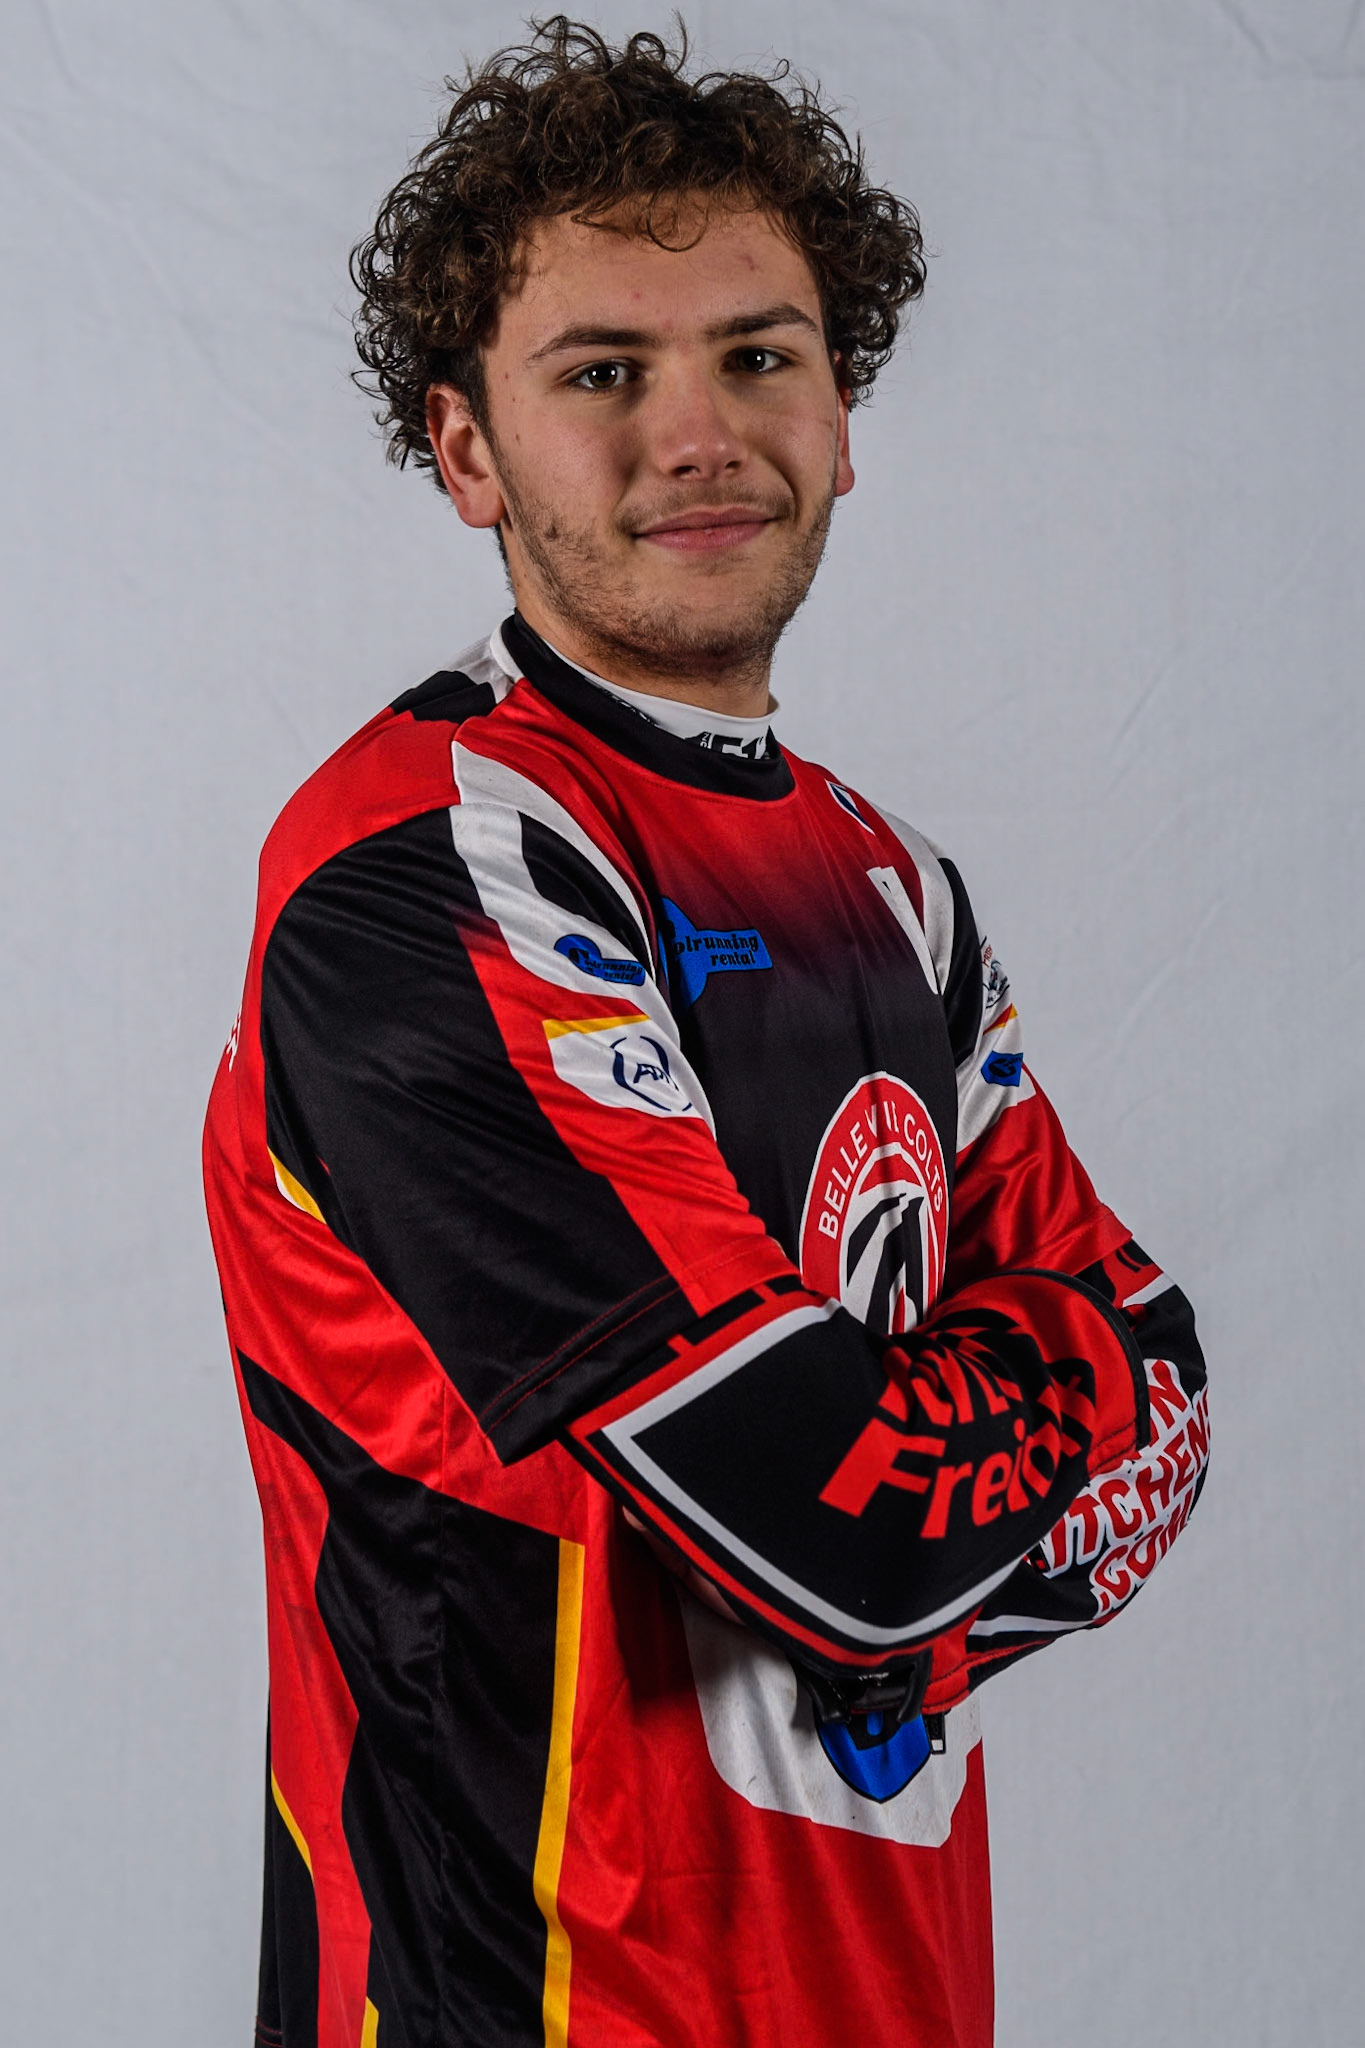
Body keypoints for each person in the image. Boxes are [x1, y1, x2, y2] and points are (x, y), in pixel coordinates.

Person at [203, 19, 1209, 2046]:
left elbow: (1166, 1387)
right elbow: (831, 1522)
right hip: (530, 1999)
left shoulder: (889, 885)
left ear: (846, 416)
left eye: (760, 355)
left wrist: (915, 1519)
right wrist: (964, 1471)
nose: (697, 432)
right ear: (466, 447)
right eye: (603, 373)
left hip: (886, 1984)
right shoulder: (423, 867)